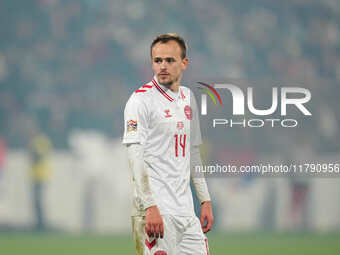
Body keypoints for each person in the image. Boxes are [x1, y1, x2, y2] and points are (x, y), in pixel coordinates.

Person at [122, 33, 213, 255]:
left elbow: (193, 152)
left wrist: (205, 200)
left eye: (170, 60)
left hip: (185, 211)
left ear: (184, 63)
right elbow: (135, 155)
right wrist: (150, 207)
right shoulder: (140, 100)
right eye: (157, 60)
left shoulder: (188, 97)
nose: (162, 66)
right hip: (156, 211)